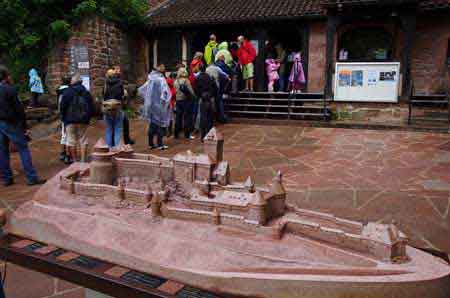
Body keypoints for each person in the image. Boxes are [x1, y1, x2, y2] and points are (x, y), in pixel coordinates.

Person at [0, 65, 45, 186]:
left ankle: (7, 178)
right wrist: (24, 127)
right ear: (6, 77)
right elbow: (19, 110)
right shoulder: (10, 89)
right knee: (23, 148)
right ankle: (32, 178)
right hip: (11, 123)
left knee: (3, 151)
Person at [60, 73, 94, 163]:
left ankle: (75, 161)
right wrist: (88, 118)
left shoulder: (67, 92)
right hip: (83, 120)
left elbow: (62, 107)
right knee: (83, 140)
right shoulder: (86, 93)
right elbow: (91, 107)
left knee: (71, 141)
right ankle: (83, 160)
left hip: (70, 120)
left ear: (72, 81)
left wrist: (63, 118)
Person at [138, 64, 172, 150]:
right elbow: (165, 92)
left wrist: (147, 99)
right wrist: (165, 102)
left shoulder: (150, 79)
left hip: (151, 105)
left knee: (152, 124)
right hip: (159, 106)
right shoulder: (161, 80)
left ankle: (151, 144)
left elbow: (141, 89)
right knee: (160, 124)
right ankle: (160, 144)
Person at [112, 66, 135, 145]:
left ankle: (124, 140)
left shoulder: (115, 80)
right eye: (117, 70)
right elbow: (121, 93)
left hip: (115, 105)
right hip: (115, 105)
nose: (119, 71)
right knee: (119, 124)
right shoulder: (116, 81)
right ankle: (119, 142)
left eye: (119, 69)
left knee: (124, 122)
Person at [194, 64, 217, 140]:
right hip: (210, 98)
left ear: (200, 69)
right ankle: (209, 134)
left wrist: (199, 96)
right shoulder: (209, 77)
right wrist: (212, 95)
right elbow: (215, 87)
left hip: (202, 98)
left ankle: (203, 135)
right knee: (210, 118)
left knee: (203, 118)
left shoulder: (198, 78)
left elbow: (196, 89)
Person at [103, 69, 125, 148]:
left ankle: (109, 147)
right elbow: (122, 94)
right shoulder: (120, 83)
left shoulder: (105, 84)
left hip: (107, 108)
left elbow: (104, 95)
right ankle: (117, 148)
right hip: (117, 107)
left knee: (109, 129)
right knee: (118, 128)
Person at [174, 67, 195, 140]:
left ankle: (176, 134)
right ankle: (187, 134)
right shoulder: (186, 80)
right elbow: (191, 91)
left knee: (178, 118)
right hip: (186, 100)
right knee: (187, 118)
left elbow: (175, 91)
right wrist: (194, 96)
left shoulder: (176, 81)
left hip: (178, 100)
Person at [56, 75, 71, 164]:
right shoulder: (68, 91)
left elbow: (59, 105)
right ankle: (68, 155)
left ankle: (63, 152)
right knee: (69, 136)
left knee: (64, 135)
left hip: (63, 116)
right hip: (69, 116)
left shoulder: (59, 91)